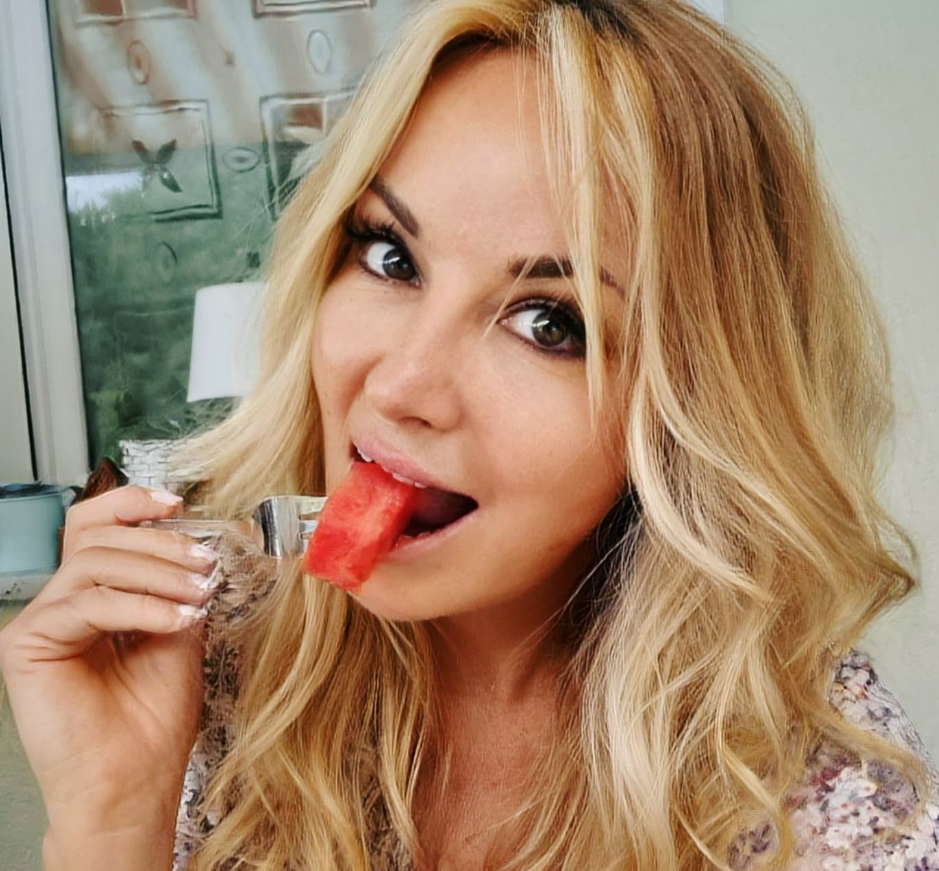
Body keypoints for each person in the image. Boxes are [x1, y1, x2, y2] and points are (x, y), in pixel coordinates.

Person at [1, 0, 937, 869]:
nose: (400, 386)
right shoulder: (211, 647)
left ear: (697, 404)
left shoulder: (829, 807)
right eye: (390, 255)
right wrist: (112, 820)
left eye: (549, 323)